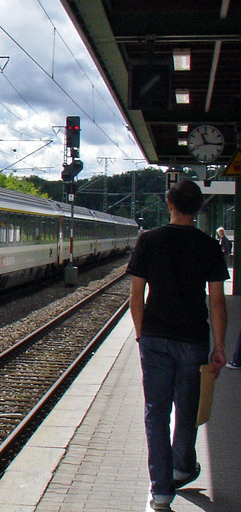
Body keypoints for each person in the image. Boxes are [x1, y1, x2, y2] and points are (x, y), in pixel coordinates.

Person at [127, 180, 228, 511]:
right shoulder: (208, 246)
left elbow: (136, 295)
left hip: (155, 338)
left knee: (156, 413)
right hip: (193, 340)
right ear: (200, 208)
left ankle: (161, 492)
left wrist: (142, 335)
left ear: (169, 202)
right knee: (188, 410)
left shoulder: (149, 240)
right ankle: (182, 467)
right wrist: (220, 345)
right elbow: (216, 302)